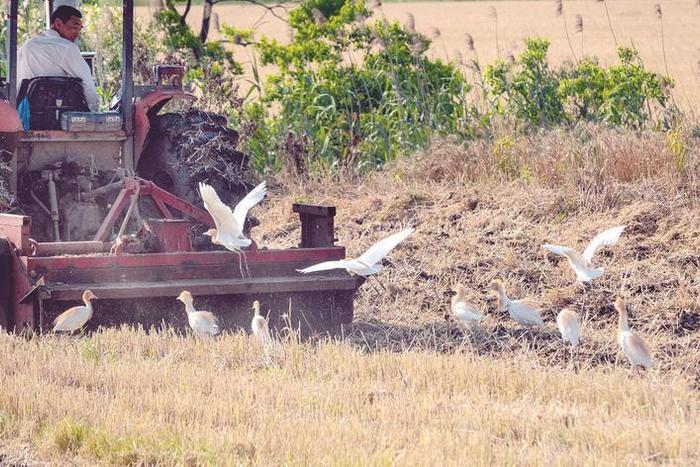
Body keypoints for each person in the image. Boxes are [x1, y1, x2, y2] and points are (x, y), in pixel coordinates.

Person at [17, 2, 98, 112]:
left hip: (23, 113)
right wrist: (94, 113)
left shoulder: (27, 45)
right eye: (75, 27)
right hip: (56, 115)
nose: (77, 33)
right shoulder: (67, 48)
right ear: (58, 24)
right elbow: (87, 84)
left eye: (80, 29)